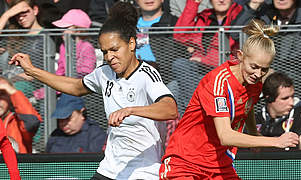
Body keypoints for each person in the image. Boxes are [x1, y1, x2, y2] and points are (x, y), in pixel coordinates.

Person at [9, 1, 178, 180]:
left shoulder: (146, 75)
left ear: (131, 44)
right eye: (105, 52)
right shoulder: (104, 73)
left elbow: (170, 109)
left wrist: (131, 110)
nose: (109, 57)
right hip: (110, 170)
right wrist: (33, 71)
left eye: (114, 49)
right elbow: (75, 86)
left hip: (143, 171)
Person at [159, 19, 299, 179]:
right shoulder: (219, 82)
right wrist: (275, 141)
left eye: (264, 69)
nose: (258, 74)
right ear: (240, 56)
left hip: (218, 164)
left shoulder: (254, 83)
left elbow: (248, 105)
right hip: (186, 162)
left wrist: (254, 132)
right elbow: (225, 136)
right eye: (254, 67)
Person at [254, 72, 301, 137]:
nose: (291, 102)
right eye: (285, 98)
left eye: (292, 96)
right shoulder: (255, 122)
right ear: (270, 99)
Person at [0, 76, 42, 153]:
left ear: (10, 98)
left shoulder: (17, 122)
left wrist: (12, 91)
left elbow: (32, 122)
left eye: (2, 95)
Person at [52, 9, 96, 78]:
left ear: (78, 30)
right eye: (61, 28)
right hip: (64, 83)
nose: (62, 31)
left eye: (65, 28)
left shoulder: (87, 47)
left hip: (78, 85)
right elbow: (60, 70)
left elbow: (86, 73)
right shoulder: (63, 46)